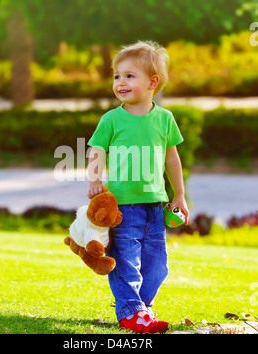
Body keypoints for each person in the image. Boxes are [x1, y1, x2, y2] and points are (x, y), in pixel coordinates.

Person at [87, 41, 189, 333]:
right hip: (123, 206)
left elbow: (172, 157)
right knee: (125, 261)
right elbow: (96, 150)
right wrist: (95, 179)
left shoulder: (164, 119)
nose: (120, 82)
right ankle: (132, 312)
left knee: (157, 266)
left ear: (152, 82)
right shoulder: (112, 119)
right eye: (117, 76)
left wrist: (179, 195)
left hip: (155, 206)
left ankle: (141, 308)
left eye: (129, 76)